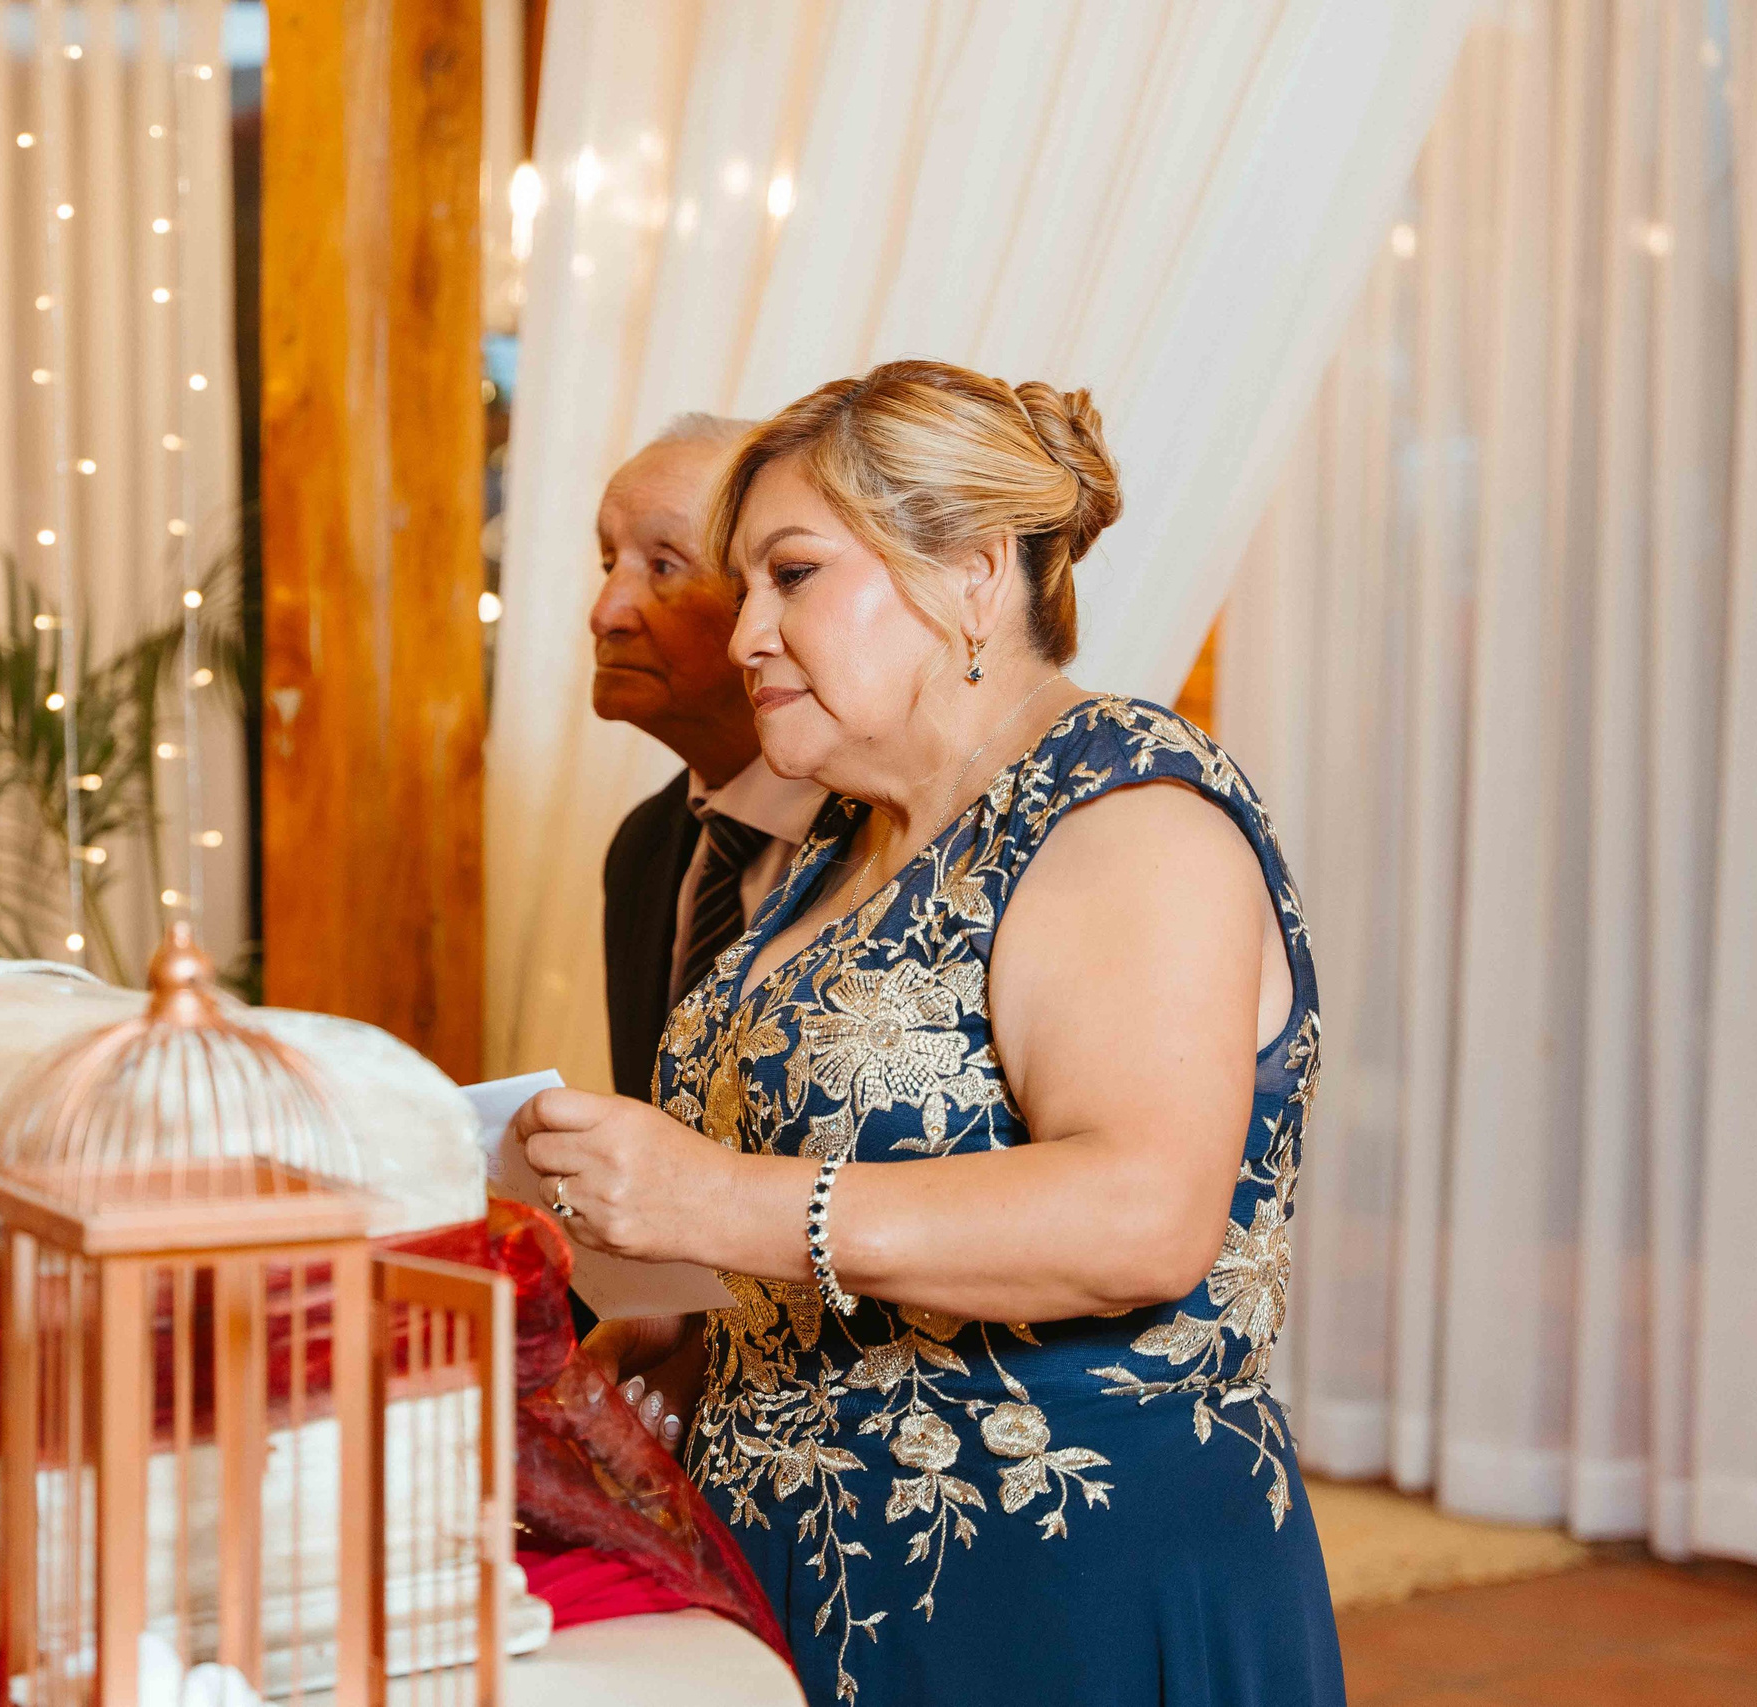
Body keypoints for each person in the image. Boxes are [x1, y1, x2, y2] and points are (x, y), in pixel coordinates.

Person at [510, 360, 1342, 1704]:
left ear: (970, 570)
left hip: (1059, 1585)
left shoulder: (1123, 809)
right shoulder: (842, 840)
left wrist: (723, 1199)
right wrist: (695, 1329)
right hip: (800, 1569)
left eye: (792, 574)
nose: (744, 635)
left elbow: (1141, 1213)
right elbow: (853, 1187)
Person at [592, 415, 826, 1106]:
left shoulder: (900, 832)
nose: (605, 612)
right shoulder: (641, 849)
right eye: (609, 564)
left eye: (664, 564)